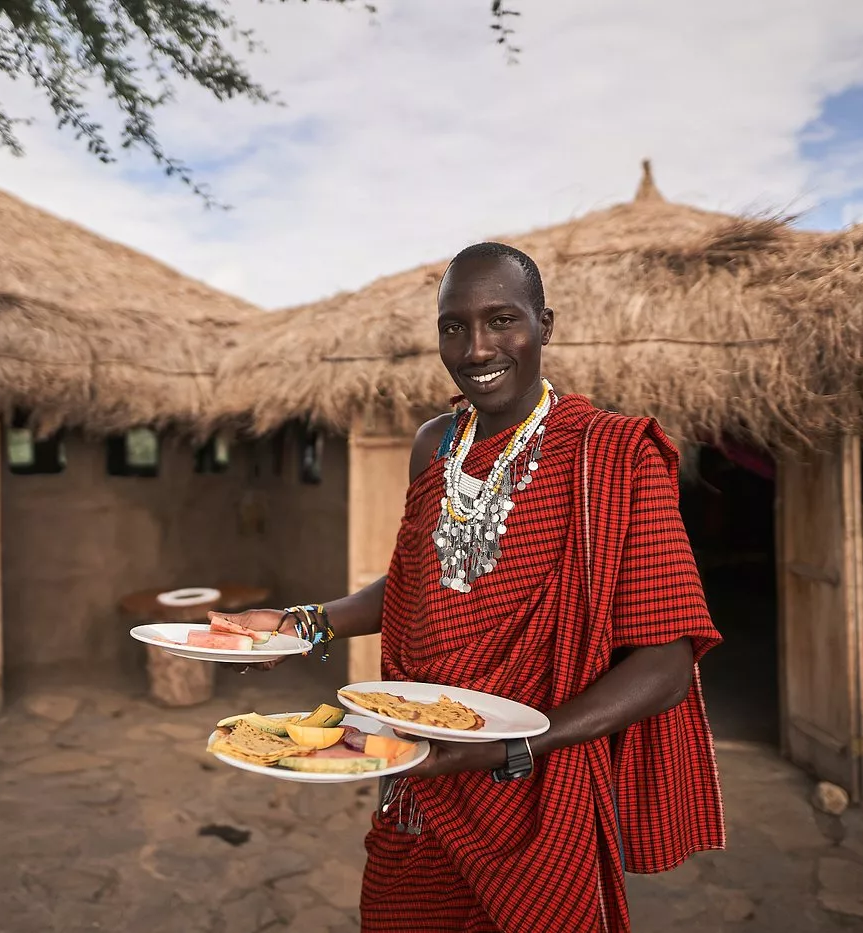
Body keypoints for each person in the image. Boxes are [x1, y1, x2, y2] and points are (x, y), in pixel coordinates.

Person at [211, 242, 725, 933]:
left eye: (502, 320)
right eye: (454, 326)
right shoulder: (435, 444)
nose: (476, 347)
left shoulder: (614, 454)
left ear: (546, 324)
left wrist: (515, 747)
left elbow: (666, 661)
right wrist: (305, 623)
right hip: (420, 764)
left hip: (539, 786)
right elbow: (419, 582)